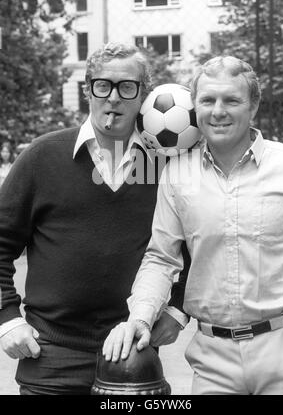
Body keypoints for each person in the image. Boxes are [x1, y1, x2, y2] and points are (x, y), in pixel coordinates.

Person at [0, 43, 190, 395]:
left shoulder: (165, 165)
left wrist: (178, 310)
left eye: (127, 87)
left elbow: (193, 245)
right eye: (102, 85)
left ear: (143, 95)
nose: (113, 98)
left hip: (135, 351)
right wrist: (6, 319)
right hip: (51, 355)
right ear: (87, 88)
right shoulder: (42, 156)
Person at [103, 55, 283, 395]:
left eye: (231, 100)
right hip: (212, 359)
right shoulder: (177, 175)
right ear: (195, 108)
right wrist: (140, 318)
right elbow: (162, 258)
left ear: (254, 106)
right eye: (207, 100)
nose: (218, 111)